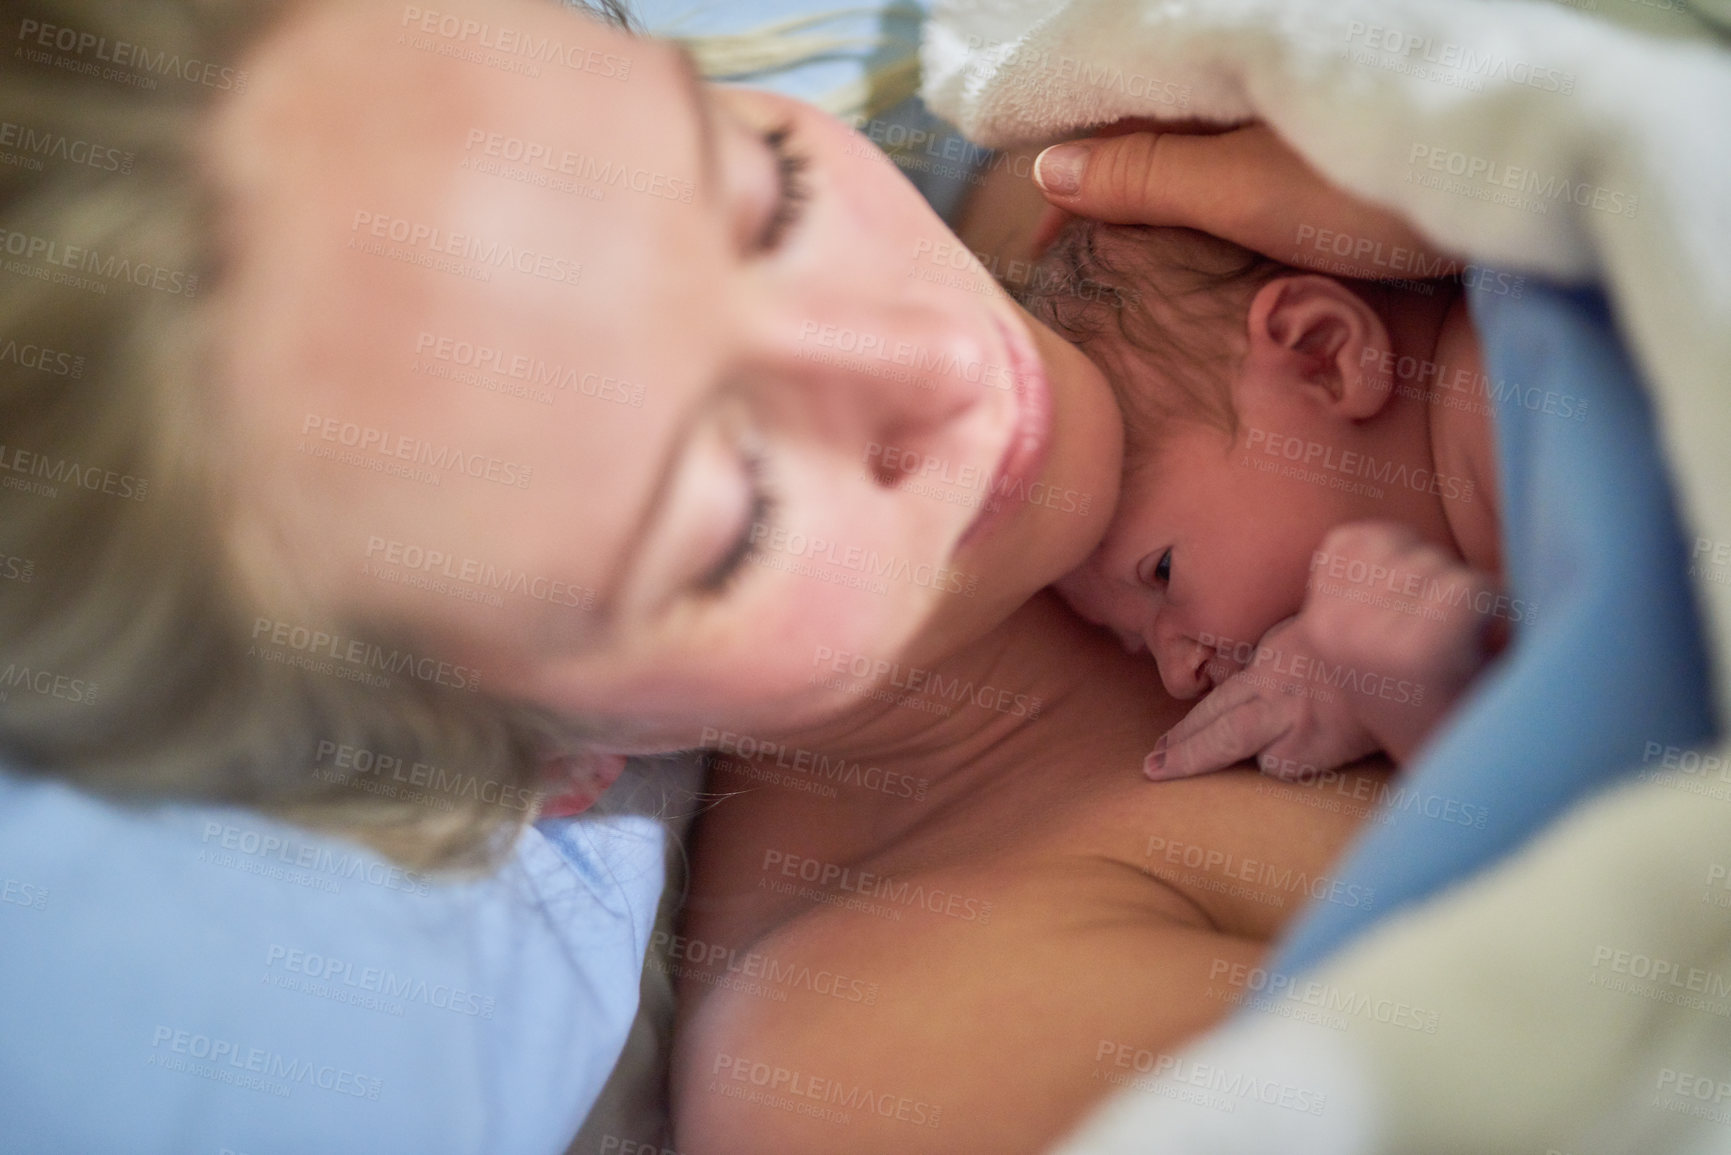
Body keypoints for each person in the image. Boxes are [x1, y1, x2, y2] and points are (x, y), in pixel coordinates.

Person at [0, 0, 1457, 1150]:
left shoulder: (1112, 157)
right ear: (558, 760)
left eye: (763, 196)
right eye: (733, 513)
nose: (941, 359)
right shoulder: (901, 1039)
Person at [1037, 218, 1515, 784]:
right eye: (1136, 642)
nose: (1178, 677)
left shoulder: (1499, 400)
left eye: (1162, 571)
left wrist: (1433, 712)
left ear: (1323, 356)